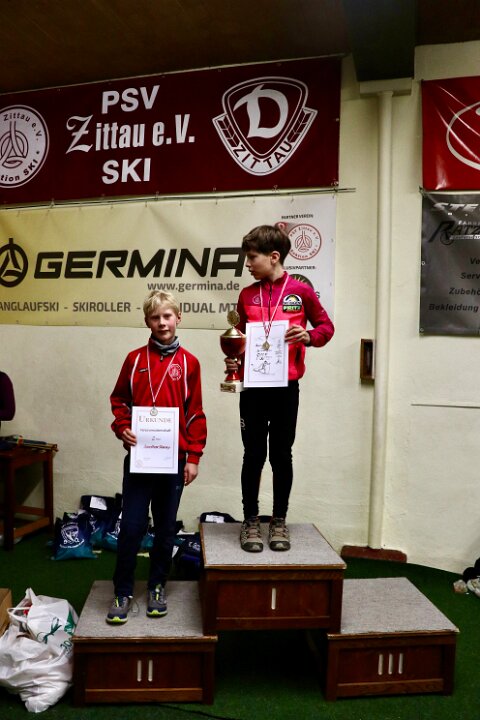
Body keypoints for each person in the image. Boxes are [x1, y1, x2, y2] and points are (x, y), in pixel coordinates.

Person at [226, 224, 334, 553]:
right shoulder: (247, 295)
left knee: (281, 455)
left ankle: (279, 520)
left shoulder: (301, 291)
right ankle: (250, 520)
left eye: (252, 257)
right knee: (253, 455)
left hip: (286, 387)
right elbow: (237, 338)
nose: (248, 264)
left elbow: (326, 327)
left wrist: (309, 336)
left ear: (274, 257)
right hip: (253, 388)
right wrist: (233, 359)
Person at [108, 290, 207, 624]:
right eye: (155, 317)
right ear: (147, 322)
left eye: (167, 316)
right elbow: (119, 400)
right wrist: (122, 427)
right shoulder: (134, 360)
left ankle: (157, 586)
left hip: (173, 461)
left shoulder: (189, 363)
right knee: (131, 527)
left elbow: (195, 413)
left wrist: (193, 457)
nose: (162, 323)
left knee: (165, 529)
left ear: (178, 318)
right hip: (139, 461)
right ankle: (122, 590)